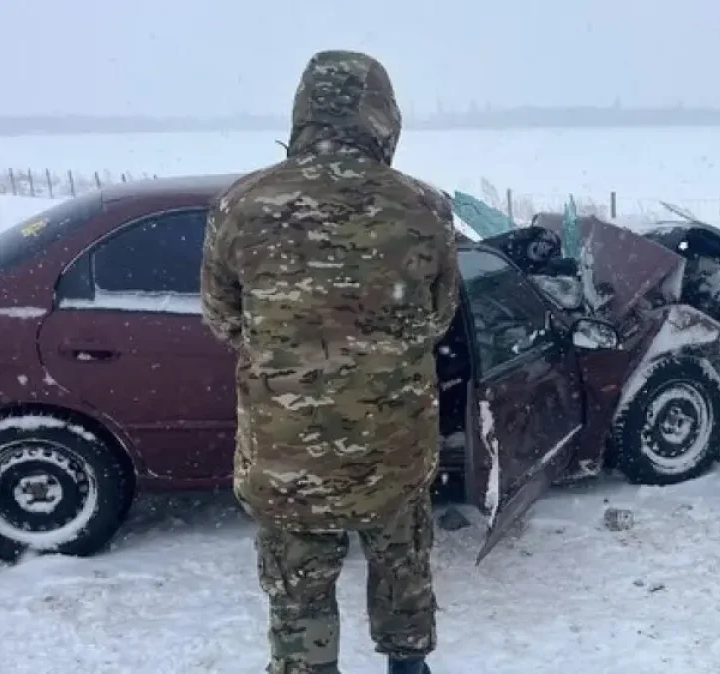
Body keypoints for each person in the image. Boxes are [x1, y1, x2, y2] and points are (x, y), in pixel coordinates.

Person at [199, 50, 459, 673]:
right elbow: (439, 315)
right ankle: (406, 665)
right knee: (402, 574)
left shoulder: (241, 205)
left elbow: (223, 316)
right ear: (382, 116)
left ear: (304, 110)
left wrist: (293, 350)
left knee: (300, 603)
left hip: (288, 460)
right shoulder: (423, 208)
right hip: (393, 453)